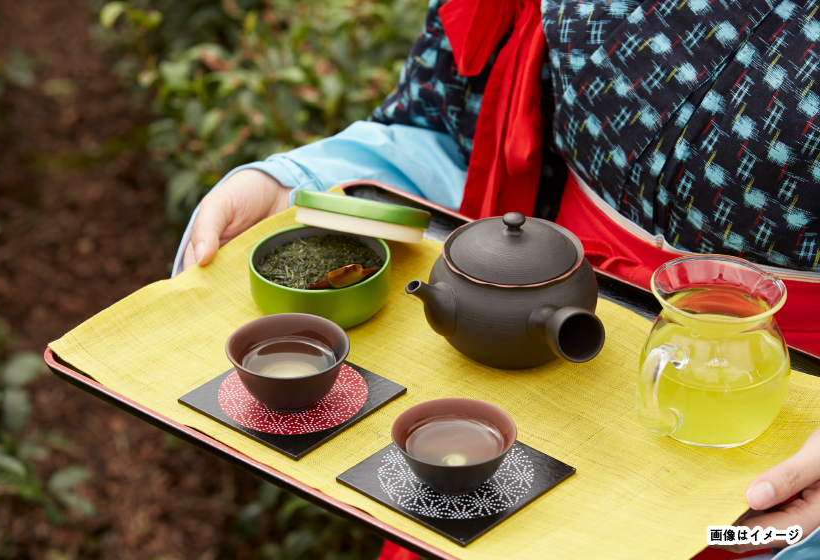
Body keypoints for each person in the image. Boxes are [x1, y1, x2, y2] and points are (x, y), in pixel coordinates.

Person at [174, 0, 820, 556]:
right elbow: (455, 127)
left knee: (711, 535)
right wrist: (306, 192)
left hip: (781, 399)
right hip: (544, 324)